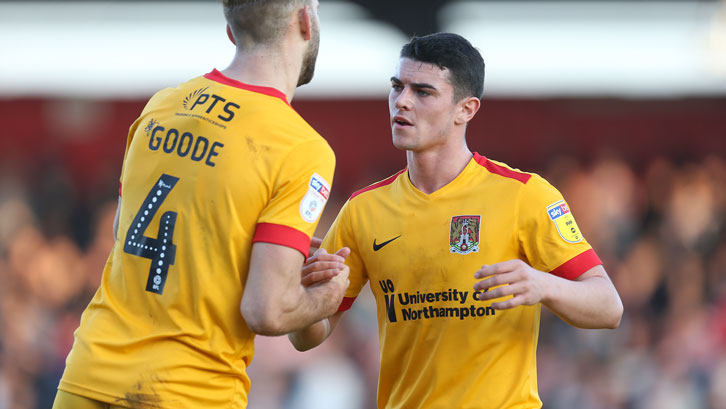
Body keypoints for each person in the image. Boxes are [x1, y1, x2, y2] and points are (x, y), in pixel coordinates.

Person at [290, 32, 624, 409]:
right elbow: (309, 336)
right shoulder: (363, 210)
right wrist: (303, 291)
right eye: (397, 87)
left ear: (466, 109)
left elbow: (609, 307)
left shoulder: (524, 195)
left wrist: (543, 284)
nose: (402, 101)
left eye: (423, 92)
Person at [52, 0, 350, 408]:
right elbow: (266, 311)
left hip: (87, 377)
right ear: (304, 21)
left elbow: (126, 234)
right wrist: (328, 296)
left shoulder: (161, 105)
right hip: (190, 392)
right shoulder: (301, 148)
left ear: (232, 32)